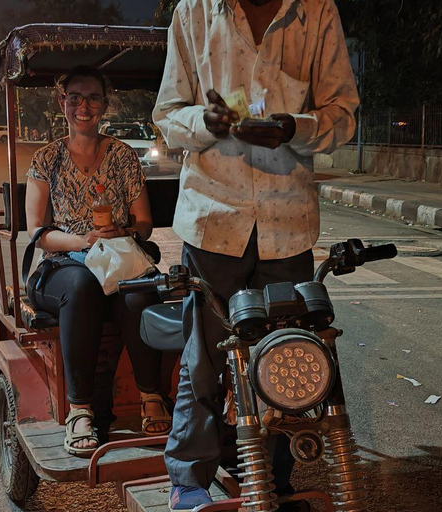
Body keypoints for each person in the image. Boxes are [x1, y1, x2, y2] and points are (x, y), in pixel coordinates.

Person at [152, 0, 360, 510]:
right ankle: (189, 478)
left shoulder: (316, 12)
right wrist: (209, 120)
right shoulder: (193, 12)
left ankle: (271, 479)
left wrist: (294, 129)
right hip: (212, 216)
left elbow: (343, 114)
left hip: (287, 224)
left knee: (286, 358)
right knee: (204, 359)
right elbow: (167, 115)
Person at [25, 66, 172, 457]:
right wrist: (83, 240)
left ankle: (151, 395)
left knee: (140, 293)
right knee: (82, 286)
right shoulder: (47, 159)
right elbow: (38, 233)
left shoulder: (123, 156)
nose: (83, 106)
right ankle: (80, 409)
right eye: (75, 97)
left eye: (92, 98)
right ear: (63, 103)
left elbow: (144, 223)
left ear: (104, 105)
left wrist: (121, 234)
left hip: (117, 258)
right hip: (63, 265)